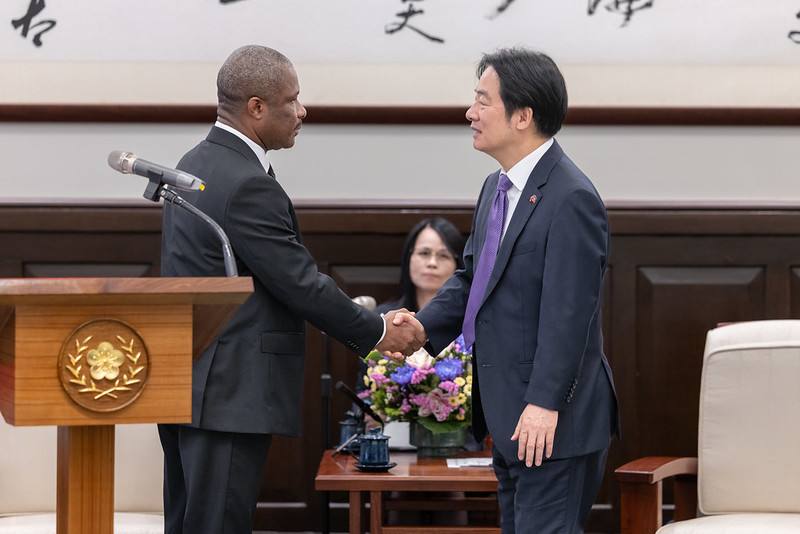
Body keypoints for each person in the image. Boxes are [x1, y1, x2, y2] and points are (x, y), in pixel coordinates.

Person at [158, 45, 424, 534]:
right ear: (256, 107)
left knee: (189, 524)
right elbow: (299, 284)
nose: (302, 111)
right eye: (292, 100)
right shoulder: (245, 183)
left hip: (188, 386)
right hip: (228, 395)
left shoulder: (194, 162)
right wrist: (378, 331)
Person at [414, 48, 619, 533]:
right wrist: (421, 325)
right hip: (509, 416)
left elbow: (570, 314)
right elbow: (471, 280)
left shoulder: (572, 198)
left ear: (523, 115)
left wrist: (545, 404)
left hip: (551, 423)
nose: (471, 113)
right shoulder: (496, 188)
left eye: (483, 101)